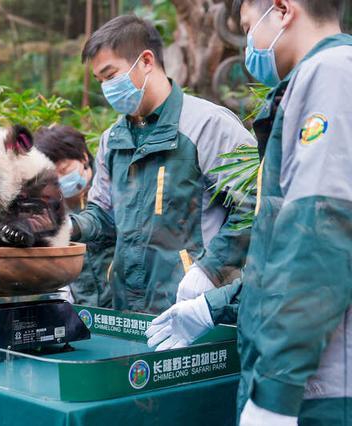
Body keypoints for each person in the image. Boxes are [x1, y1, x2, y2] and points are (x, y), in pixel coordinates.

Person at [146, 0, 351, 424]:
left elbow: (316, 244)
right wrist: (216, 304)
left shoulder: (331, 75)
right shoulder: (316, 80)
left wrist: (276, 394)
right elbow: (282, 250)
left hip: (321, 385)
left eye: (246, 27)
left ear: (281, 9)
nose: (248, 46)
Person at [70, 15, 256, 314]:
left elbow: (253, 207)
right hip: (128, 311)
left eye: (111, 75)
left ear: (145, 61)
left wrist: (210, 270)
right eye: (101, 81)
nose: (106, 88)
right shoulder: (112, 140)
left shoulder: (207, 126)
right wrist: (67, 227)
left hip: (194, 309)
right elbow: (103, 215)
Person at [34, 125, 113, 307]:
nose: (60, 179)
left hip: (120, 308)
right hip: (77, 308)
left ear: (84, 157)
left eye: (65, 169)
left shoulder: (109, 186)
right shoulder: (46, 204)